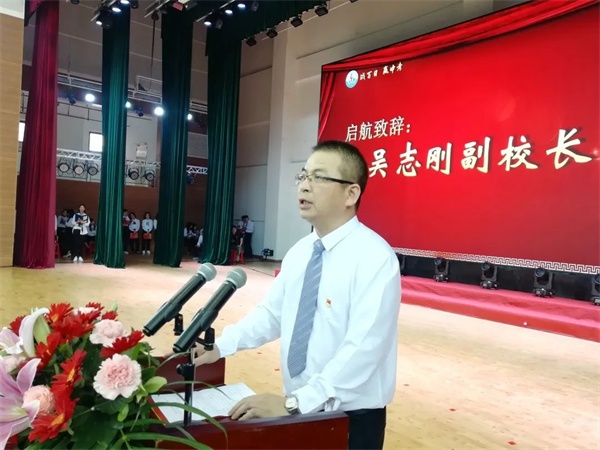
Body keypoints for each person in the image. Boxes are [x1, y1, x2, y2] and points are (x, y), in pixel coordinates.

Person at [193, 140, 401, 450]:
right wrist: (221, 346)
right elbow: (272, 315)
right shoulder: (301, 252)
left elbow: (364, 349)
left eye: (318, 177)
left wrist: (295, 404)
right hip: (298, 409)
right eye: (303, 176)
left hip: (350, 419)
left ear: (351, 193)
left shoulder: (374, 258)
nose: (304, 185)